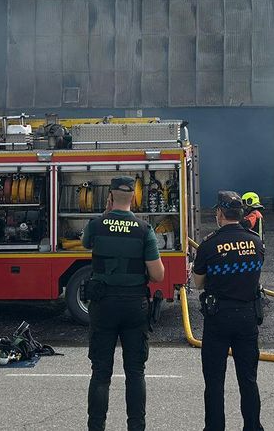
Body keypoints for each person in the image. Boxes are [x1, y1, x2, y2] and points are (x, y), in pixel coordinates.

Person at [82, 176, 165, 431]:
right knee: (135, 372)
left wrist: (106, 214)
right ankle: (136, 427)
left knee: (100, 374)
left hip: (103, 305)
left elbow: (86, 243)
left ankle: (96, 426)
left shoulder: (96, 225)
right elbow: (158, 274)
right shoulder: (143, 229)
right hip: (133, 306)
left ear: (110, 196)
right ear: (134, 198)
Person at [192, 191, 265, 431]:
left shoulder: (209, 244)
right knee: (248, 380)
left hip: (218, 318)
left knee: (214, 382)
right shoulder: (256, 242)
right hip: (247, 318)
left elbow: (198, 283)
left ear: (221, 214)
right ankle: (253, 427)